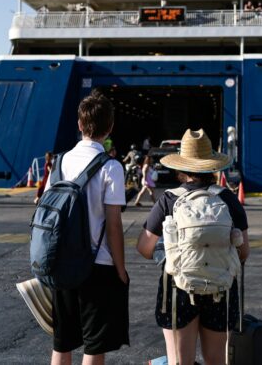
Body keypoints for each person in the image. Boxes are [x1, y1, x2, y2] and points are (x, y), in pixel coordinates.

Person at [136, 129, 249, 365]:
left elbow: (145, 248)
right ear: (212, 167)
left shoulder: (169, 199)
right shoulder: (228, 200)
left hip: (178, 289)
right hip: (221, 289)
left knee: (180, 361)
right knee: (216, 360)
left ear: (181, 167)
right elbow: (243, 252)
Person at [48, 92, 129, 363]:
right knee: (94, 346)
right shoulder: (111, 167)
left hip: (61, 263)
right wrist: (121, 269)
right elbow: (114, 224)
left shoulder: (59, 163)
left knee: (62, 343)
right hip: (99, 265)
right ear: (110, 128)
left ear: (80, 125)